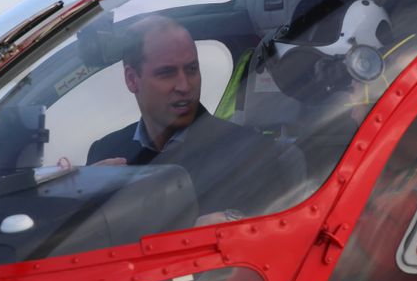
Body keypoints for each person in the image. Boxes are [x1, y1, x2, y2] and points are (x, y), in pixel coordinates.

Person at [87, 15, 305, 219]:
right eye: (167, 73)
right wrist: (77, 196)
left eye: (192, 69)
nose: (184, 86)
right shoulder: (105, 153)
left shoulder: (252, 153)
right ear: (132, 79)